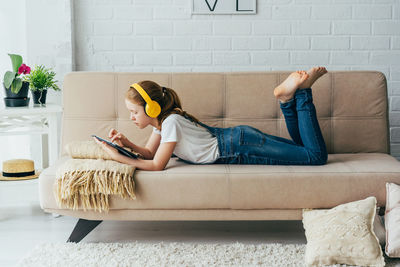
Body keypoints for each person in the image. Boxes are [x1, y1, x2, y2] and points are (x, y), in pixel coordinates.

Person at [94, 67, 328, 171]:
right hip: (238, 140)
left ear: (153, 108)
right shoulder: (163, 124)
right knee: (303, 149)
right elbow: (149, 154)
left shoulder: (171, 123)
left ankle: (300, 95)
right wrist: (125, 145)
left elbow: (157, 165)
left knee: (315, 157)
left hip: (238, 146)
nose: (131, 117)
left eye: (134, 112)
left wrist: (118, 158)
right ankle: (288, 99)